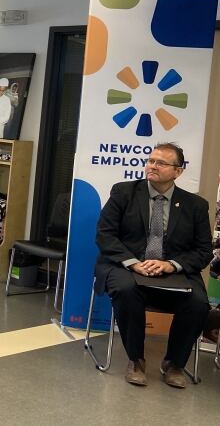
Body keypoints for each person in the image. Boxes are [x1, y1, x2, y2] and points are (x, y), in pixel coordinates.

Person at [95, 142, 212, 389]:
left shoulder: (196, 206)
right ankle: (136, 360)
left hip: (172, 272)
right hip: (126, 266)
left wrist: (172, 265)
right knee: (126, 291)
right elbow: (105, 235)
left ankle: (174, 364)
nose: (152, 166)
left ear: (178, 171)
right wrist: (133, 263)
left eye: (161, 163)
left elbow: (203, 251)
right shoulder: (124, 192)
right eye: (150, 160)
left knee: (198, 302)